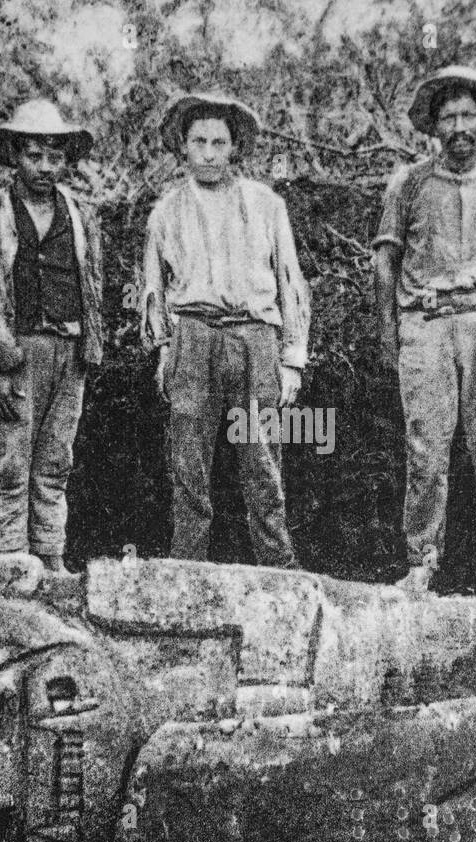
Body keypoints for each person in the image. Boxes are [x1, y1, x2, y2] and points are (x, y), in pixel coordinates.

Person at [373, 65, 476, 598]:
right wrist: (387, 333)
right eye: (449, 117)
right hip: (425, 322)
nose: (460, 125)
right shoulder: (409, 183)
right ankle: (423, 560)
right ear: (434, 126)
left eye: (469, 114)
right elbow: (385, 263)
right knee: (426, 448)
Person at [141, 92, 310, 567]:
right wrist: (164, 352)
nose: (210, 152)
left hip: (256, 338)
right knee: (189, 457)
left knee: (261, 454)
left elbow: (289, 281)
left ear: (234, 146)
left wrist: (292, 357)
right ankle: (187, 565)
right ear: (184, 147)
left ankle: (279, 564)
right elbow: (154, 288)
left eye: (219, 142)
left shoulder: (266, 205)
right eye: (199, 142)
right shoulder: (165, 213)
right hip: (193, 337)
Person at [0, 99, 103, 573]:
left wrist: (88, 349)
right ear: (15, 155)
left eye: (54, 157)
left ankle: (51, 559)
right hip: (16, 352)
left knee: (56, 461)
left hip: (69, 350)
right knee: (11, 464)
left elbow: (93, 284)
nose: (44, 167)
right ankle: (12, 563)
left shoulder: (80, 216)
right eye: (34, 155)